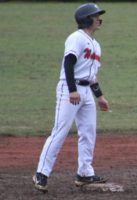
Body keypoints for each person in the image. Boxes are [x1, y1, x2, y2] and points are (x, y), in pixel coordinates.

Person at [32, 3, 109, 193]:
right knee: (60, 130)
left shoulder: (96, 44)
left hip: (86, 92)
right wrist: (73, 90)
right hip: (70, 88)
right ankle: (41, 173)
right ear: (85, 19)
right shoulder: (76, 38)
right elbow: (68, 63)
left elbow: (91, 75)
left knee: (88, 132)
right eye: (95, 15)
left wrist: (100, 96)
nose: (99, 18)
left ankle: (84, 173)